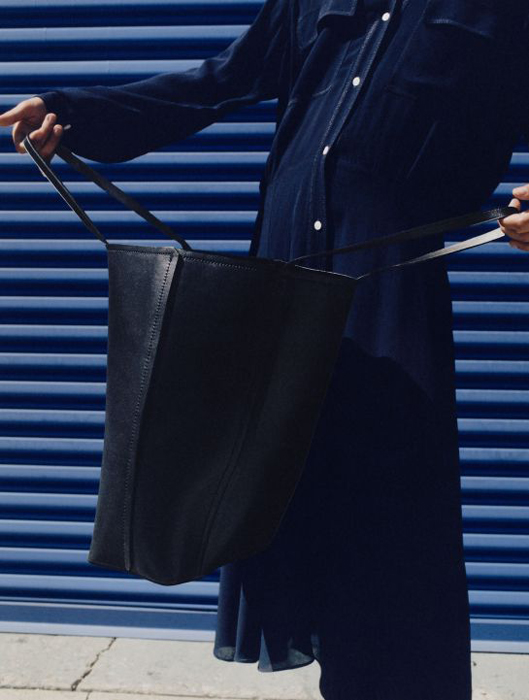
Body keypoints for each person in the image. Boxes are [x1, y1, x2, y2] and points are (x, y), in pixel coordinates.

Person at [1, 0, 528, 697]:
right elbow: (215, 82)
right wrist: (73, 113)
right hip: (280, 277)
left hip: (387, 287)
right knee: (275, 496)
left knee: (390, 515)